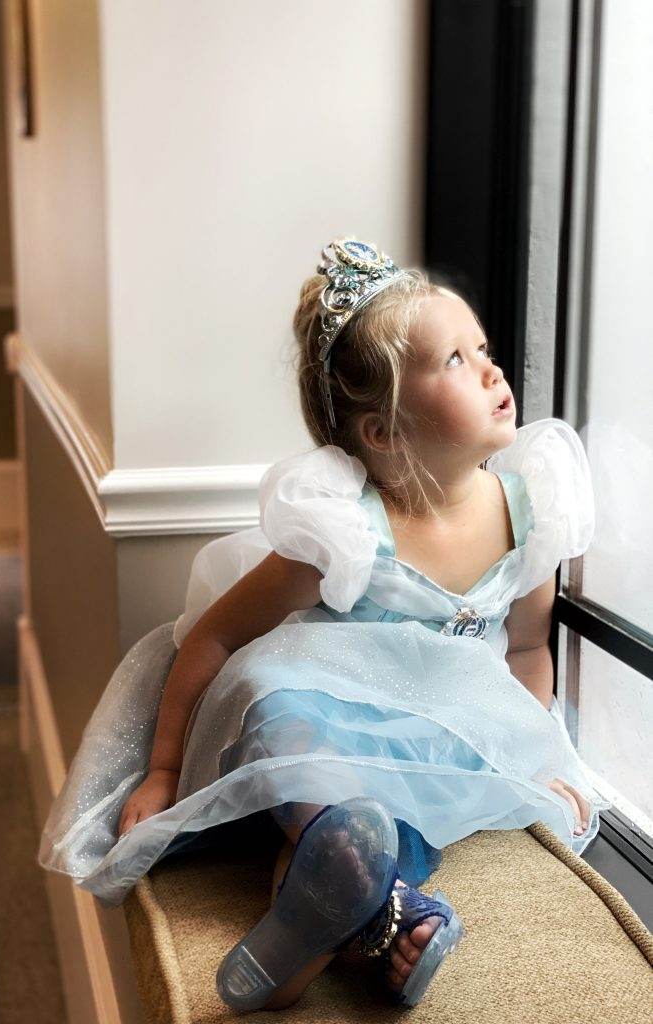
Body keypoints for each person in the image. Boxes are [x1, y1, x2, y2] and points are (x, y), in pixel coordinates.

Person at [38, 237, 610, 1011]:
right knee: (282, 716)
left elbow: (528, 646)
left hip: (438, 735)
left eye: (484, 348)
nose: (490, 369)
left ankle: (335, 916)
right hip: (332, 721)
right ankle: (386, 908)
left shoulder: (530, 511)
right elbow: (214, 638)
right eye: (453, 360)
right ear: (382, 431)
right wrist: (166, 769)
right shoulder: (346, 529)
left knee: (355, 837)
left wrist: (528, 755)